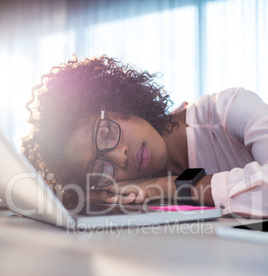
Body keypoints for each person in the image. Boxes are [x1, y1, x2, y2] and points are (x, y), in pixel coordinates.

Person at [22, 55, 268, 217]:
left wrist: (165, 186)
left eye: (105, 133)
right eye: (100, 167)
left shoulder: (231, 109)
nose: (120, 157)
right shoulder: (136, 194)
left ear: (118, 101)